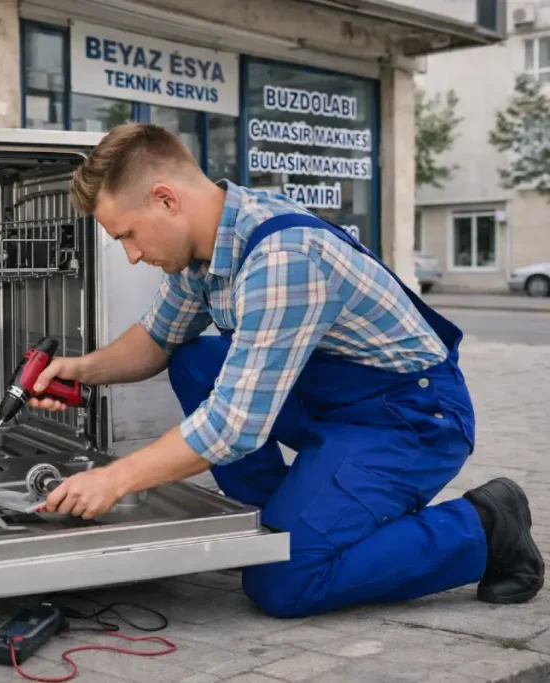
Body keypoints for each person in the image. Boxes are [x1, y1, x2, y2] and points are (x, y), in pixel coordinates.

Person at [30, 122, 543, 619]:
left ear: (166, 200)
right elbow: (157, 340)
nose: (133, 254)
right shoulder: (208, 250)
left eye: (129, 235)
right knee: (193, 359)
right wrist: (79, 370)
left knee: (285, 581)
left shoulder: (282, 259)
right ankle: (284, 518)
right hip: (333, 408)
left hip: (409, 421)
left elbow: (232, 428)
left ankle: (484, 526)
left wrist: (114, 480)